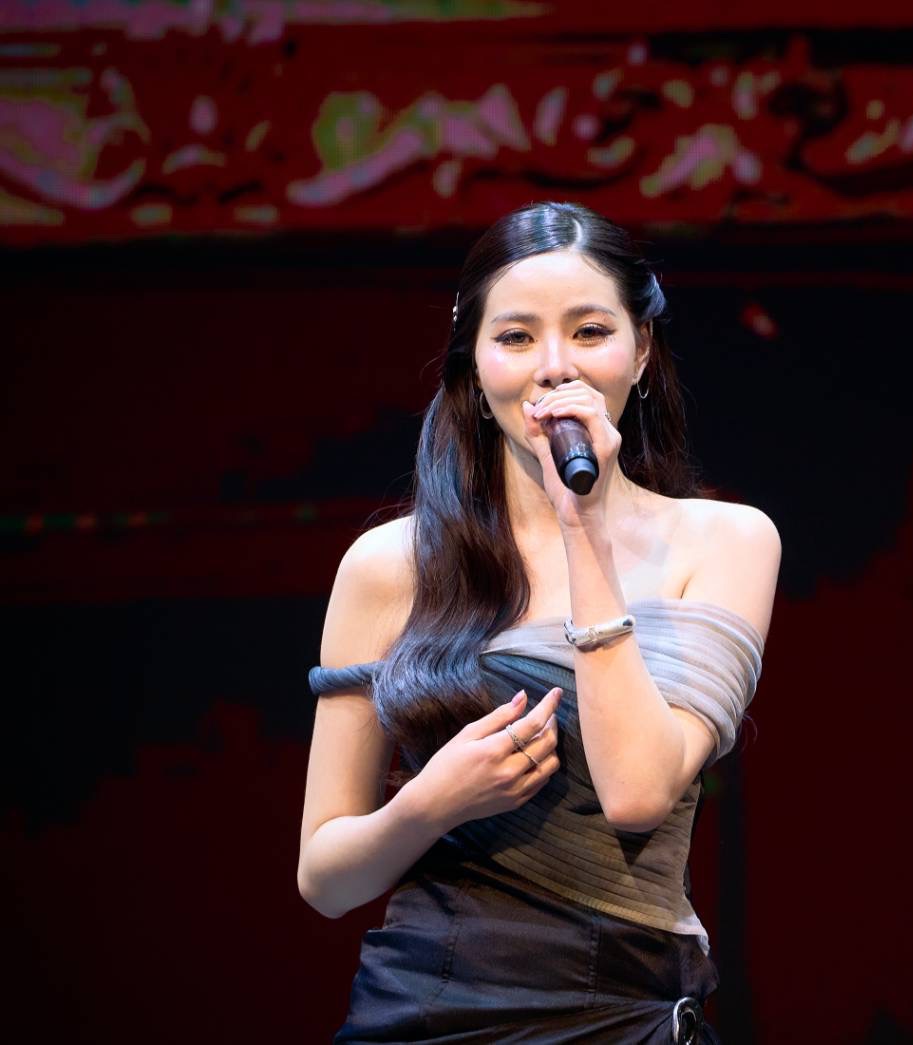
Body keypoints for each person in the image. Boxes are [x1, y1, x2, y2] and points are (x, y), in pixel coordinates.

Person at [296, 200, 781, 1043]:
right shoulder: (389, 565)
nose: (554, 367)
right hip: (422, 1009)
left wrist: (581, 526)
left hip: (619, 1012)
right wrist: (430, 804)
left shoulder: (724, 540)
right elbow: (325, 879)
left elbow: (637, 792)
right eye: (516, 337)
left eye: (589, 331)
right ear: (474, 364)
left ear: (641, 350)